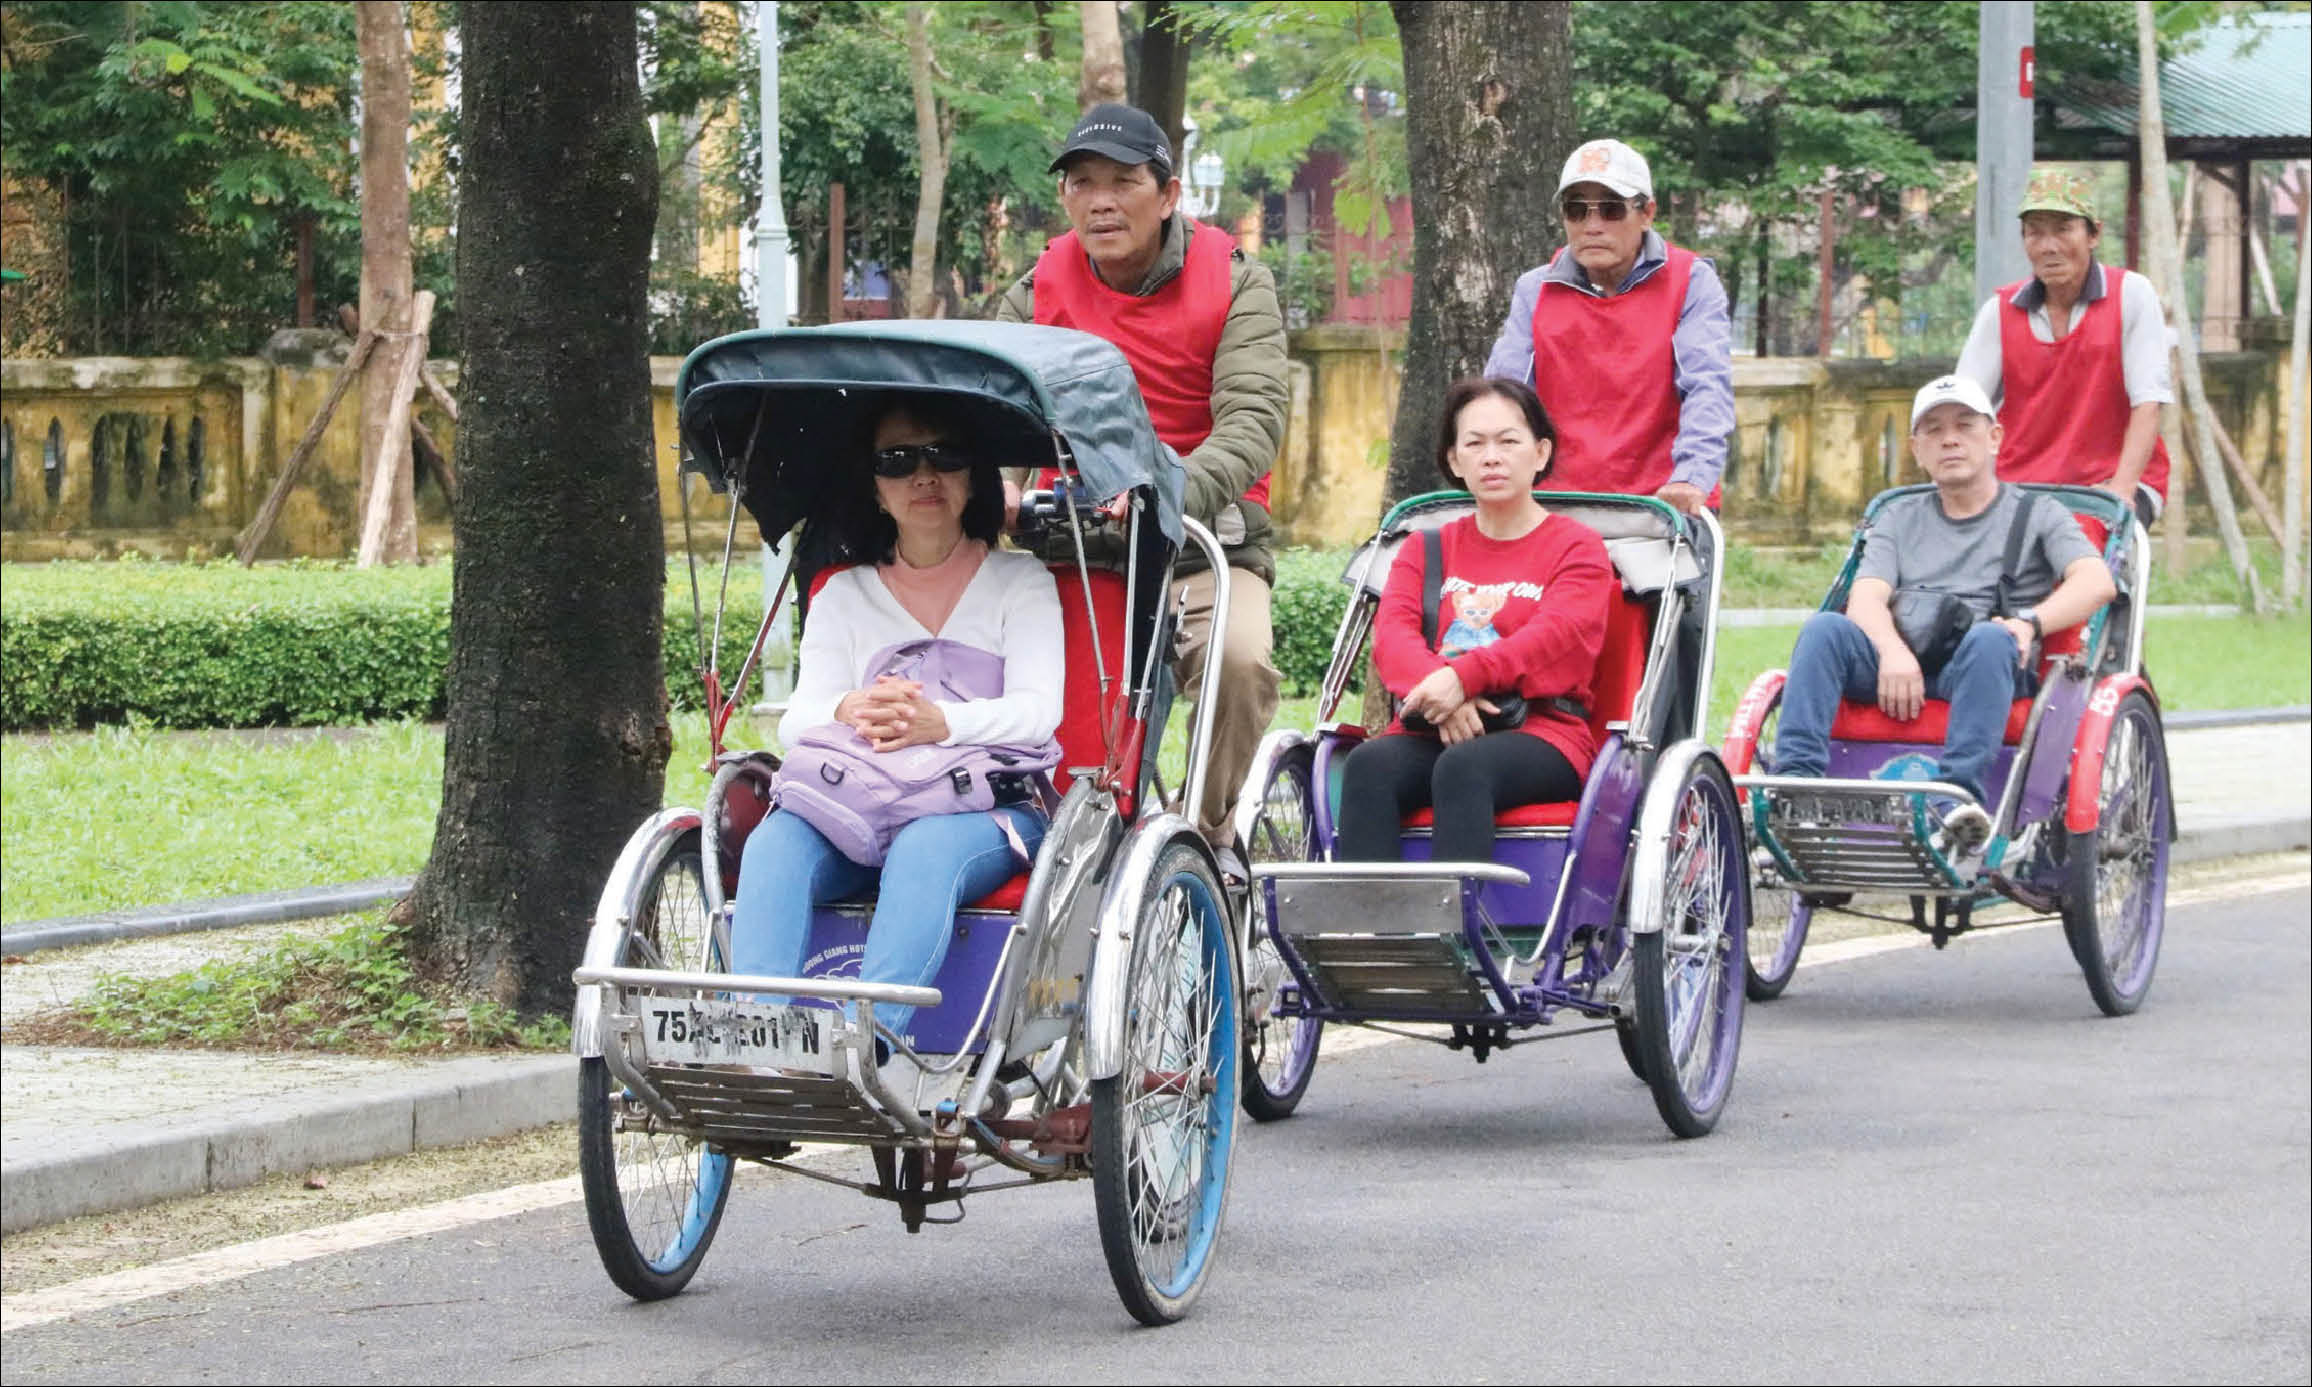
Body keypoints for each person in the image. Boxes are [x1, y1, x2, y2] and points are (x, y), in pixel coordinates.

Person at [994, 102, 1289, 879]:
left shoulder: (1236, 280)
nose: (1100, 201)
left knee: (1238, 661)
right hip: (1074, 546)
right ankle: (1024, 839)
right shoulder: (1034, 289)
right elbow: (993, 414)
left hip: (1201, 544)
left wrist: (1161, 490)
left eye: (1123, 182)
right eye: (1082, 183)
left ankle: (1206, 836)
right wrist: (999, 492)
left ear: (1167, 195)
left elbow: (1253, 419)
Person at [730, 399, 1064, 1040]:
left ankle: (871, 1050)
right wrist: (846, 708)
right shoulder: (843, 594)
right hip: (863, 801)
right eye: (898, 460)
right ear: (875, 489)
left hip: (983, 807)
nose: (924, 475)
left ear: (975, 477)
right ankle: (757, 1044)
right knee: (776, 842)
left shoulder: (1019, 582)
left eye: (947, 455)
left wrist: (942, 723)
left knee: (924, 848)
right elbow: (797, 721)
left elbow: (1037, 713)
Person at [1772, 376, 2118, 859]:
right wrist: (1892, 652)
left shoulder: (2039, 513)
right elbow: (1865, 597)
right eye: (1932, 430)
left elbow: (2095, 581)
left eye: (1964, 425)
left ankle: (1957, 802)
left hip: (1983, 666)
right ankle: (1796, 792)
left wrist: (2028, 623)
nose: (1949, 438)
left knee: (1990, 640)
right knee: (1823, 631)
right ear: (1916, 448)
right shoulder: (1898, 515)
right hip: (1897, 661)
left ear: (1994, 437)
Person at [1336, 379, 1615, 866]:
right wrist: (1444, 696)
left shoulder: (1578, 547)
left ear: (1541, 452)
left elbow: (1554, 638)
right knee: (1367, 766)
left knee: (1465, 767)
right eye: (1475, 443)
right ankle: (1371, 935)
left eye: (1509, 441)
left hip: (1542, 730)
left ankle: (1454, 937)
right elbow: (1393, 639)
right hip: (1434, 726)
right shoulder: (1425, 549)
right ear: (1453, 460)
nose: (1492, 457)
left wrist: (1461, 679)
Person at [1483, 138, 1733, 516]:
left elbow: (1706, 387)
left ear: (1647, 213)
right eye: (1576, 210)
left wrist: (1692, 477)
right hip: (1555, 505)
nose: (1592, 226)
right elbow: (1504, 396)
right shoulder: (1535, 290)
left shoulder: (1691, 283)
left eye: (1611, 210)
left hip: (1664, 506)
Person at [1955, 168, 2173, 527]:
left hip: (2110, 482)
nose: (2049, 246)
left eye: (2063, 229)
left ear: (2094, 234)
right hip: (2019, 485)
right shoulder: (2001, 311)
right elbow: (1965, 406)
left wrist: (2121, 489)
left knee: (2077, 553)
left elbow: (2149, 402)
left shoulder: (2131, 295)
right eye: (2035, 232)